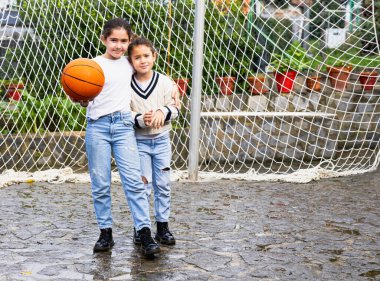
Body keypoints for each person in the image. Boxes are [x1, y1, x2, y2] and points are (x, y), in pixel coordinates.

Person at [82, 18, 160, 256]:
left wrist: (171, 95)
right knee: (100, 183)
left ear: (129, 41)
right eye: (113, 40)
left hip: (124, 125)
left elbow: (152, 76)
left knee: (134, 182)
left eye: (123, 41)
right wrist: (81, 97)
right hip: (98, 126)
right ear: (103, 39)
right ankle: (105, 232)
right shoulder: (90, 66)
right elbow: (82, 94)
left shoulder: (130, 63)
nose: (118, 45)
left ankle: (144, 232)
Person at [127, 37, 179, 246]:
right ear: (131, 61)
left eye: (146, 56)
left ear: (154, 57)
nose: (142, 60)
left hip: (161, 141)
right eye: (137, 57)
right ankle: (141, 228)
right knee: (143, 185)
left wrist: (162, 112)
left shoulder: (165, 82)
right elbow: (124, 111)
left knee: (163, 184)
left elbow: (175, 108)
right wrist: (140, 119)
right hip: (139, 143)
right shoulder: (127, 85)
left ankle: (163, 226)